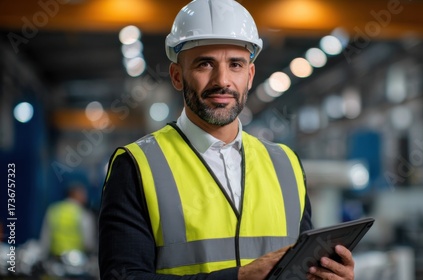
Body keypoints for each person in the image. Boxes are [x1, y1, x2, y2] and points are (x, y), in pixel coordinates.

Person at [98, 0, 355, 279]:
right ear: (176, 76)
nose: (223, 80)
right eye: (205, 63)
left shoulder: (287, 164)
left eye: (235, 64)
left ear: (250, 75)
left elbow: (300, 268)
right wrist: (238, 277)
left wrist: (328, 273)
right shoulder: (137, 165)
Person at [39, 183, 96, 259]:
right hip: (77, 261)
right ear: (75, 195)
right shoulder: (83, 214)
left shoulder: (53, 210)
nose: (86, 197)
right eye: (83, 194)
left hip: (56, 259)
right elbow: (89, 243)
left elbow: (45, 240)